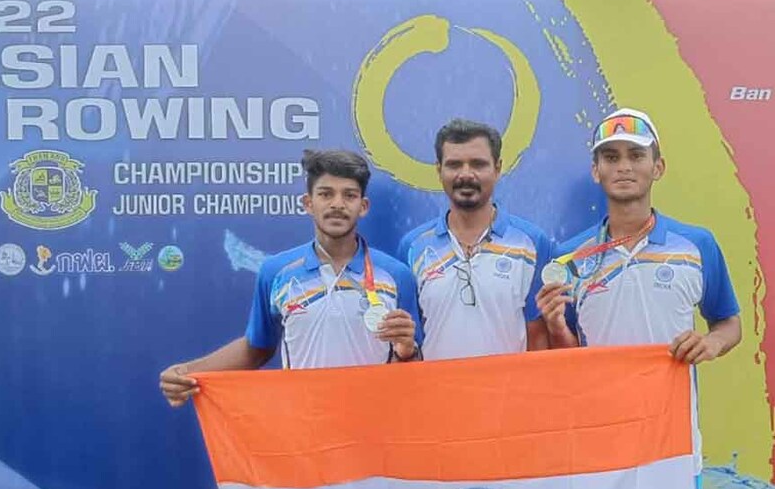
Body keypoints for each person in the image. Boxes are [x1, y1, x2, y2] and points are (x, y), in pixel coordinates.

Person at [535, 107, 742, 489]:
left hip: (673, 440)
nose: (624, 167)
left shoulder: (696, 245)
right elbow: (568, 357)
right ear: (596, 171)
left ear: (657, 167)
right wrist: (557, 327)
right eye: (611, 158)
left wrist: (711, 344)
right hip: (599, 440)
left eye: (636, 155)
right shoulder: (568, 259)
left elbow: (728, 322)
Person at [160, 149, 421, 407]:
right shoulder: (276, 272)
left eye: (349, 195)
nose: (337, 204)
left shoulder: (397, 275)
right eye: (325, 194)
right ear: (308, 203)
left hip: (374, 423)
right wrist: (187, 372)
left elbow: (412, 369)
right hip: (302, 424)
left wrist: (407, 349)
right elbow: (256, 348)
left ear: (363, 206)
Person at [397, 119, 553, 360]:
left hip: (507, 394)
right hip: (437, 394)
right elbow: (410, 341)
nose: (466, 175)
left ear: (498, 168)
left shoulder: (532, 243)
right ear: (439, 170)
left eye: (478, 164)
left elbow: (538, 335)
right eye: (454, 165)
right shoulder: (412, 246)